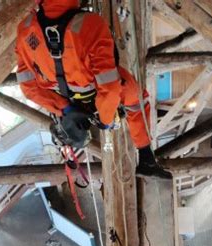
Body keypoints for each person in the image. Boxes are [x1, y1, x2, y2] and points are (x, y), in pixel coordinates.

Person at [15, 0, 171, 179]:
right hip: (93, 94)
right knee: (135, 98)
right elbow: (110, 88)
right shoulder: (90, 24)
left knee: (128, 94)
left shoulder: (25, 29)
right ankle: (146, 156)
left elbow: (28, 87)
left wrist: (64, 108)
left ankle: (145, 157)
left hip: (62, 99)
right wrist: (105, 119)